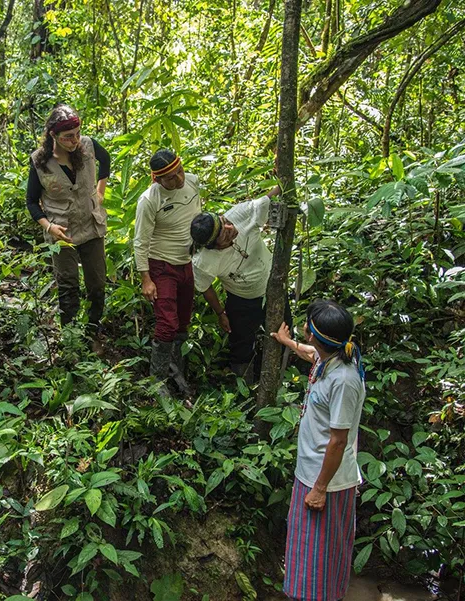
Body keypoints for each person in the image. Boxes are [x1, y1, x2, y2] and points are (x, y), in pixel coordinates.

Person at [269, 300, 366, 601]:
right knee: (306, 551)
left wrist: (320, 488)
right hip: (311, 474)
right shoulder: (329, 359)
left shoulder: (344, 381)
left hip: (328, 482)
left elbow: (338, 440)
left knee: (320, 556)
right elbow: (311, 354)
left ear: (314, 334)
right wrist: (287, 342)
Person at [26, 105, 110, 350]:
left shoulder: (88, 147)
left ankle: (93, 329)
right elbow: (31, 202)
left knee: (97, 284)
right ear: (53, 136)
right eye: (68, 137)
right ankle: (71, 339)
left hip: (91, 225)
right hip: (62, 231)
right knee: (68, 285)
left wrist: (100, 192)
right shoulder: (40, 163)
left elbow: (105, 161)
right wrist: (48, 226)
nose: (75, 140)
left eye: (77, 133)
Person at [189, 183, 282, 382]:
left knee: (284, 327)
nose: (231, 229)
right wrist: (221, 313)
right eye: (225, 235)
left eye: (226, 224)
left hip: (273, 286)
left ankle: (283, 372)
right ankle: (243, 383)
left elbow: (268, 199)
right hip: (242, 298)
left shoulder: (240, 214)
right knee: (241, 341)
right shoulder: (204, 262)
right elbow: (205, 287)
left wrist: (281, 181)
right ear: (214, 247)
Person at [134, 149, 202, 395]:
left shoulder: (192, 181)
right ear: (157, 179)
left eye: (180, 171)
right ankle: (157, 382)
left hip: (187, 262)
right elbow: (140, 241)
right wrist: (146, 278)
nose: (179, 179)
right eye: (171, 178)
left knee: (183, 321)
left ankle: (177, 371)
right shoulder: (150, 200)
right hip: (161, 265)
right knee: (167, 323)